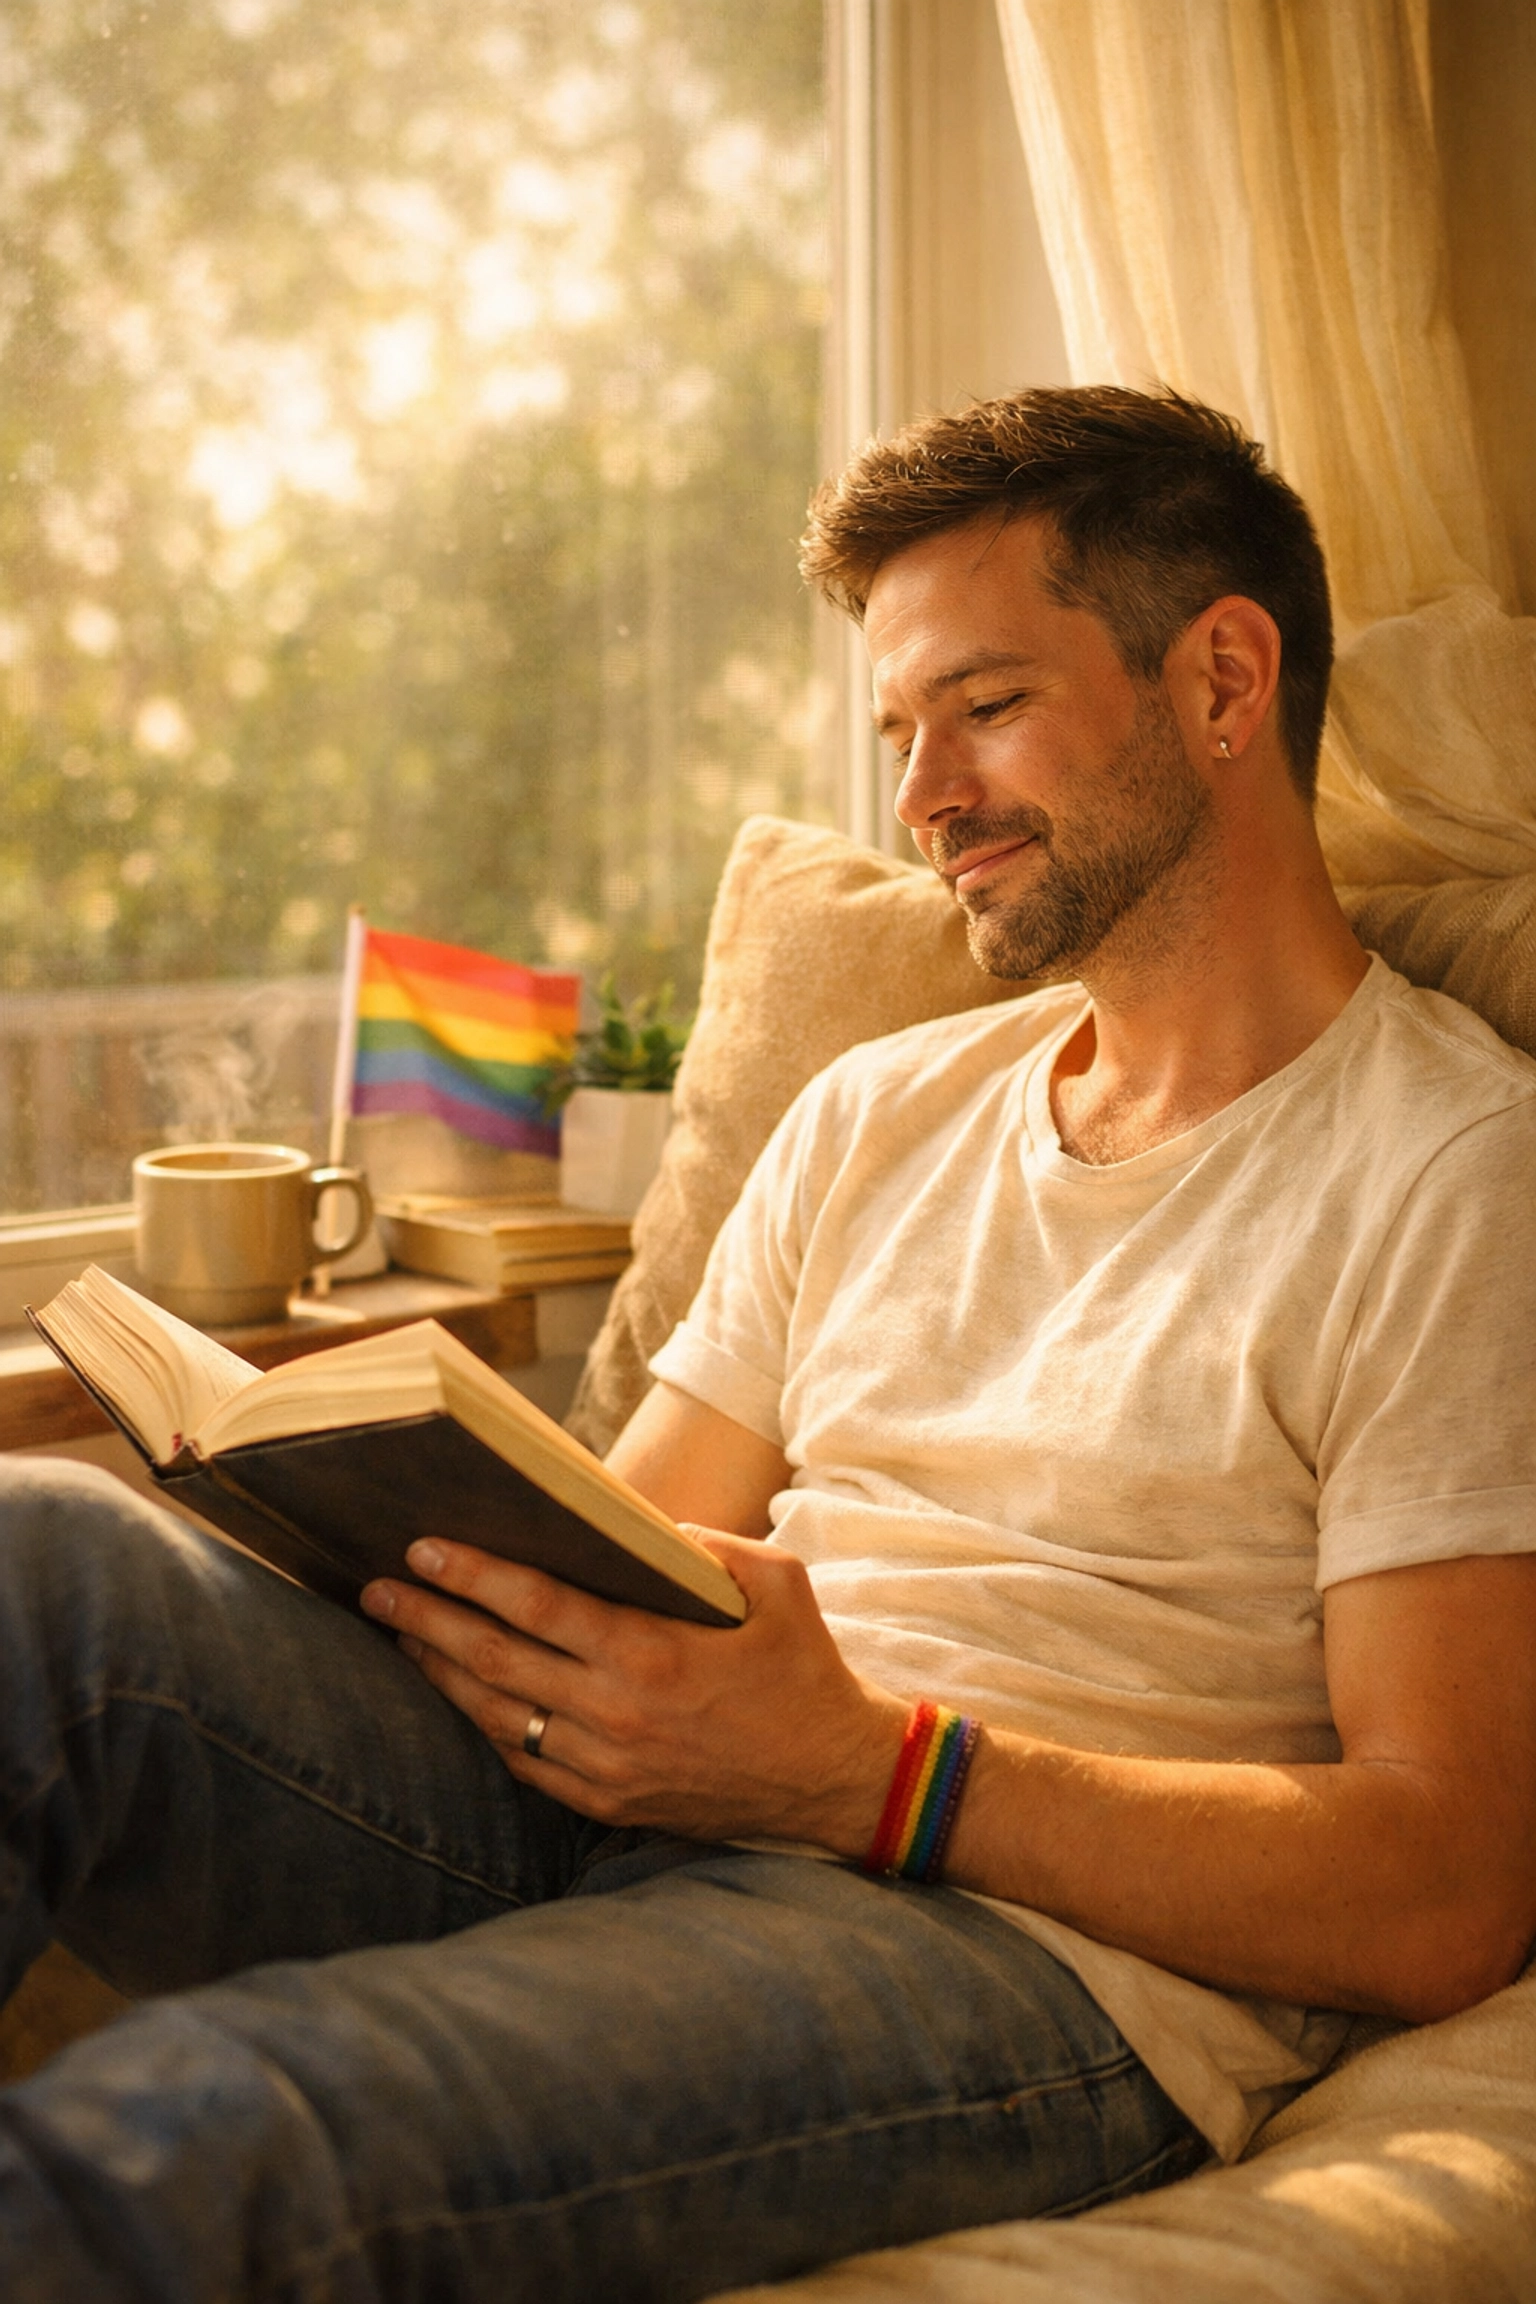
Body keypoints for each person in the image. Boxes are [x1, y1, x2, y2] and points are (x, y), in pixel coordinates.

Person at [4, 385, 1536, 2304]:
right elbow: (629, 1533)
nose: (921, 801)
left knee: (203, 2134)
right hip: (642, 1789)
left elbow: (1446, 1882)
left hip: (1000, 1945)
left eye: (984, 708)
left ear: (1225, 681)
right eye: (899, 733)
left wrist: (868, 1776)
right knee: (31, 1564)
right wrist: (353, 1507)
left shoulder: (1450, 1171)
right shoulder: (876, 1109)